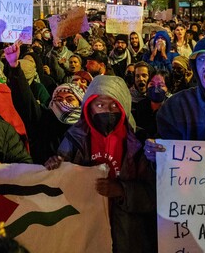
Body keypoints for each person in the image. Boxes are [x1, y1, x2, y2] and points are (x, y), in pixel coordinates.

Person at [45, 76, 156, 253]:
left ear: (124, 107)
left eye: (113, 106)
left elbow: (152, 195)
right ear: (88, 107)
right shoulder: (74, 139)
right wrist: (54, 166)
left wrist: (122, 190)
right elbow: (57, 187)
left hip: (128, 236)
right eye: (100, 105)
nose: (107, 111)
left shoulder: (140, 143)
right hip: (86, 232)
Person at [133, 70, 171, 138]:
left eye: (160, 85)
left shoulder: (171, 110)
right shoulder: (141, 106)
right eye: (152, 84)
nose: (156, 89)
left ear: (167, 88)